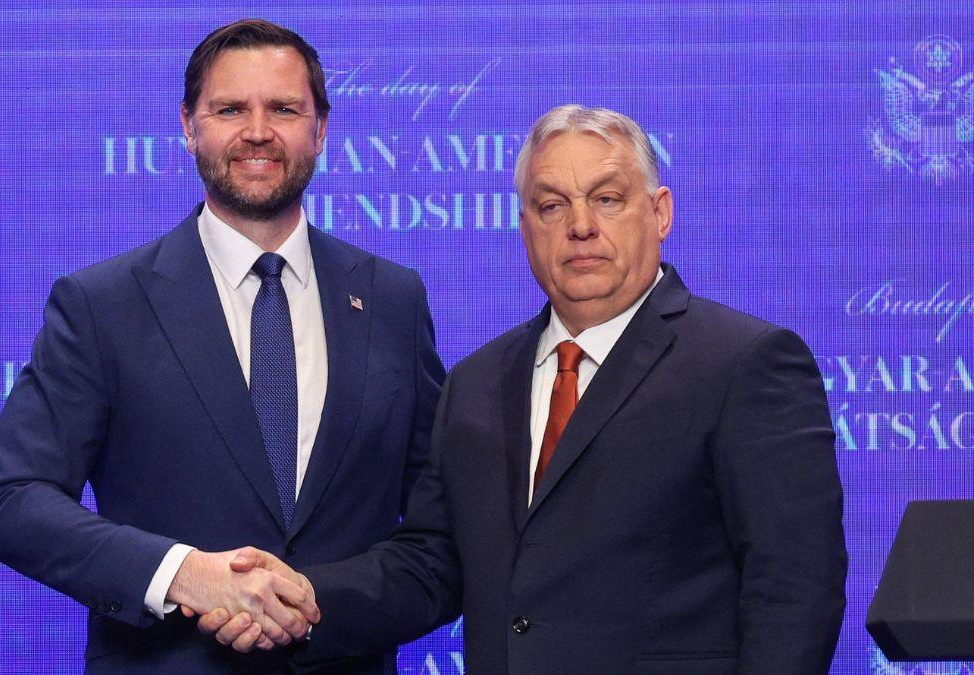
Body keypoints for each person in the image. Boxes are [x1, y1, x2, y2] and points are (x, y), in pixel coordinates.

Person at [203, 104, 848, 674]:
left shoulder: (744, 364)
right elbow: (432, 564)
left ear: (660, 213)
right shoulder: (478, 383)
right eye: (551, 205)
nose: (580, 226)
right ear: (524, 229)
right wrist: (300, 599)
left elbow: (795, 587)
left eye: (607, 198)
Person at [0, 18, 444, 674]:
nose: (257, 131)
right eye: (229, 109)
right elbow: (9, 501)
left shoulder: (393, 300)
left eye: (283, 108)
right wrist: (185, 575)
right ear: (189, 126)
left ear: (321, 130)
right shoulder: (103, 304)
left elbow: (442, 533)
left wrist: (312, 600)